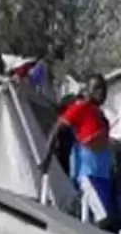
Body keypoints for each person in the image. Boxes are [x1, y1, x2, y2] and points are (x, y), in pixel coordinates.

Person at [41, 74, 115, 225]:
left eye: (104, 88)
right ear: (88, 90)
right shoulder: (80, 107)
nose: (102, 92)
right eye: (97, 88)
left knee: (99, 221)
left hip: (103, 175)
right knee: (104, 218)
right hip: (87, 173)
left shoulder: (100, 115)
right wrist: (47, 157)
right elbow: (57, 128)